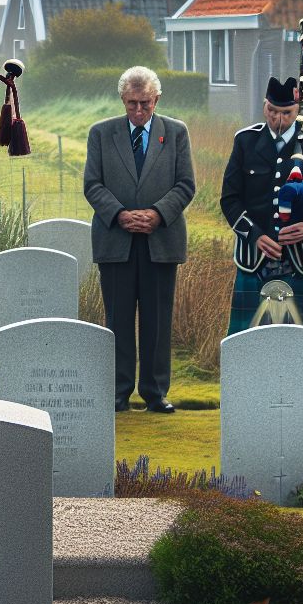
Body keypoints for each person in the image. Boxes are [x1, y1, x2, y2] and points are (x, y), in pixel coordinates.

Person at [83, 65, 195, 413]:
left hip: (161, 241)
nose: (138, 111)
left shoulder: (176, 133)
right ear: (122, 99)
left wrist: (157, 214)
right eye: (131, 103)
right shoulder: (101, 134)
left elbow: (185, 184)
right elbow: (92, 184)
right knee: (117, 320)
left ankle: (154, 392)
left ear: (156, 99)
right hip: (116, 241)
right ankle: (118, 392)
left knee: (157, 320)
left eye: (144, 103)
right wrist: (120, 214)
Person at [220, 77, 303, 335]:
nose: (278, 119)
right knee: (247, 346)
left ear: (298, 111)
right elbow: (230, 199)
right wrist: (255, 236)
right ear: (264, 106)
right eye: (272, 111)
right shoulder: (245, 142)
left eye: (286, 113)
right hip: (253, 259)